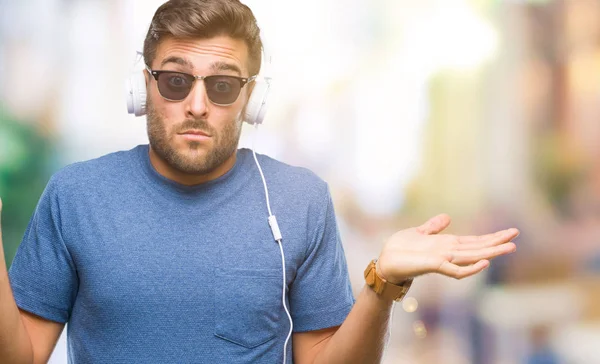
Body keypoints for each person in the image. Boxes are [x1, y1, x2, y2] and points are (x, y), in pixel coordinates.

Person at [0, 0, 519, 363]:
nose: (197, 105)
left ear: (252, 100)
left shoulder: (300, 200)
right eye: (176, 81)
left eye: (223, 86)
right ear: (144, 88)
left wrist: (382, 285)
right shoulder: (74, 196)